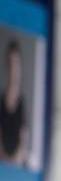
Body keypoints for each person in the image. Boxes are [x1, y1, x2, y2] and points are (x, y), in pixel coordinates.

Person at [0, 38, 29, 167]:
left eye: (16, 64)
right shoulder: (1, 101)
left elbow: (24, 136)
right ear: (7, 66)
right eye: (11, 64)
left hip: (17, 165)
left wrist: (17, 159)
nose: (14, 69)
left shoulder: (22, 103)